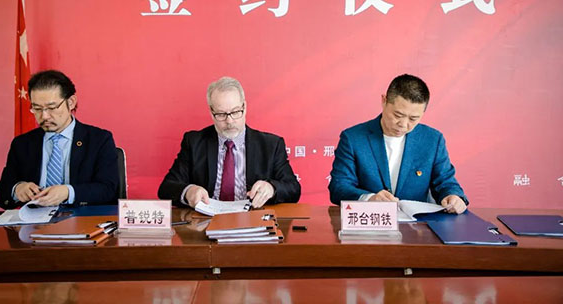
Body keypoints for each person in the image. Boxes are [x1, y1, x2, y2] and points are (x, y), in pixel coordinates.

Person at [328, 74, 468, 214]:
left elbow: (445, 182)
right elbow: (339, 187)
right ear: (384, 101)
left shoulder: (432, 140)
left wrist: (453, 196)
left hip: (418, 224)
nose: (403, 124)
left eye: (413, 118)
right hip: (370, 221)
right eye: (397, 115)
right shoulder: (353, 138)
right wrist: (370, 198)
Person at [158, 76, 301, 208]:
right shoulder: (194, 143)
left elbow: (293, 188)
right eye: (221, 114)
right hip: (206, 221)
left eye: (235, 112)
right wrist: (189, 191)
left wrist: (272, 188)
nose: (229, 121)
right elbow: (166, 188)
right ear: (211, 112)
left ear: (244, 107)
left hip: (252, 220)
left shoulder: (271, 145)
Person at [0, 70, 119, 209]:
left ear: (71, 102)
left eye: (52, 108)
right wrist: (17, 189)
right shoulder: (22, 144)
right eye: (37, 108)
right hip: (35, 219)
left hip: (81, 218)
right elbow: (1, 195)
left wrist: (68, 192)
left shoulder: (99, 140)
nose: (44, 116)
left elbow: (108, 189)